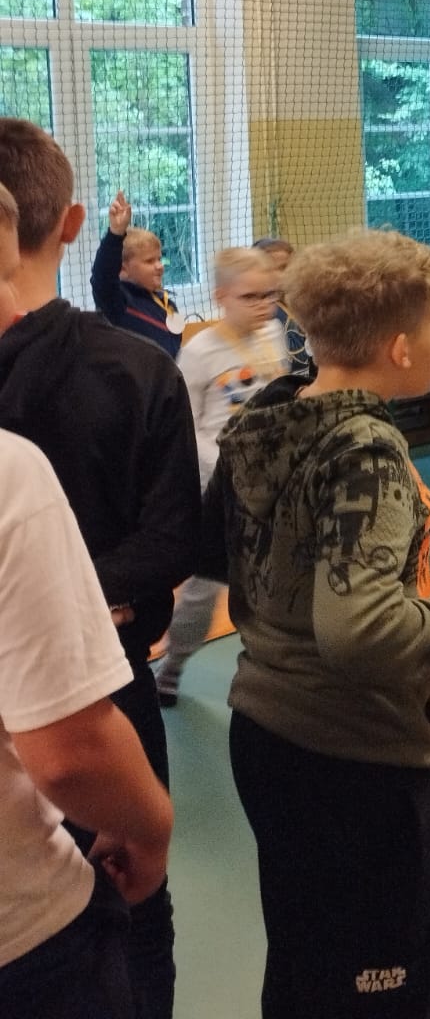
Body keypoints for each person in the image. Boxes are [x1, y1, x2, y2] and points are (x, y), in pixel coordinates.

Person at [202, 228, 430, 1019]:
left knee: (304, 965)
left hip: (265, 734)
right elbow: (360, 631)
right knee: (375, 986)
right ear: (399, 347)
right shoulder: (368, 450)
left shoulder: (267, 416)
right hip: (351, 761)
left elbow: (213, 550)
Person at [0, 119, 200, 1019]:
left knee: (128, 909)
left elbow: (169, 542)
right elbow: (74, 752)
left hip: (105, 684)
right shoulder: (139, 370)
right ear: (73, 222)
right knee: (131, 908)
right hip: (95, 700)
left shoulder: (136, 370)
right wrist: (85, 608)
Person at [153, 249, 289, 708]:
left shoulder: (273, 335)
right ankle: (172, 666)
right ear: (221, 296)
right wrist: (230, 464)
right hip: (218, 489)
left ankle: (271, 671)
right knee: (202, 590)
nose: (263, 304)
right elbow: (183, 427)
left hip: (272, 486)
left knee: (275, 583)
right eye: (250, 296)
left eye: (270, 294)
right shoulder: (199, 352)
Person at [91, 192, 182, 359]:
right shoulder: (117, 303)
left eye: (159, 259)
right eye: (149, 261)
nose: (160, 266)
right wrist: (115, 234)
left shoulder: (167, 305)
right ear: (122, 269)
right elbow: (102, 276)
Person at [252, 236, 310, 375]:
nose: (289, 272)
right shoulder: (267, 313)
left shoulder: (300, 304)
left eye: (291, 266)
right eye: (281, 268)